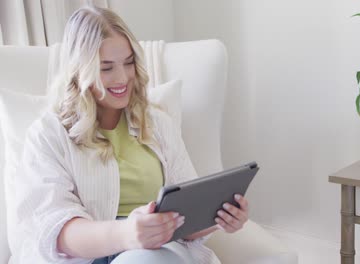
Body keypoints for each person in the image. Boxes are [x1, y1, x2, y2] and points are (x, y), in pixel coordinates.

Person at [12, 5, 249, 264]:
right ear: (80, 71)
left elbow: (186, 220)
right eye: (106, 68)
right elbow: (55, 230)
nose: (123, 77)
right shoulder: (48, 134)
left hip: (158, 253)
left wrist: (217, 217)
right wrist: (127, 234)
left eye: (128, 63)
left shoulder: (157, 123)